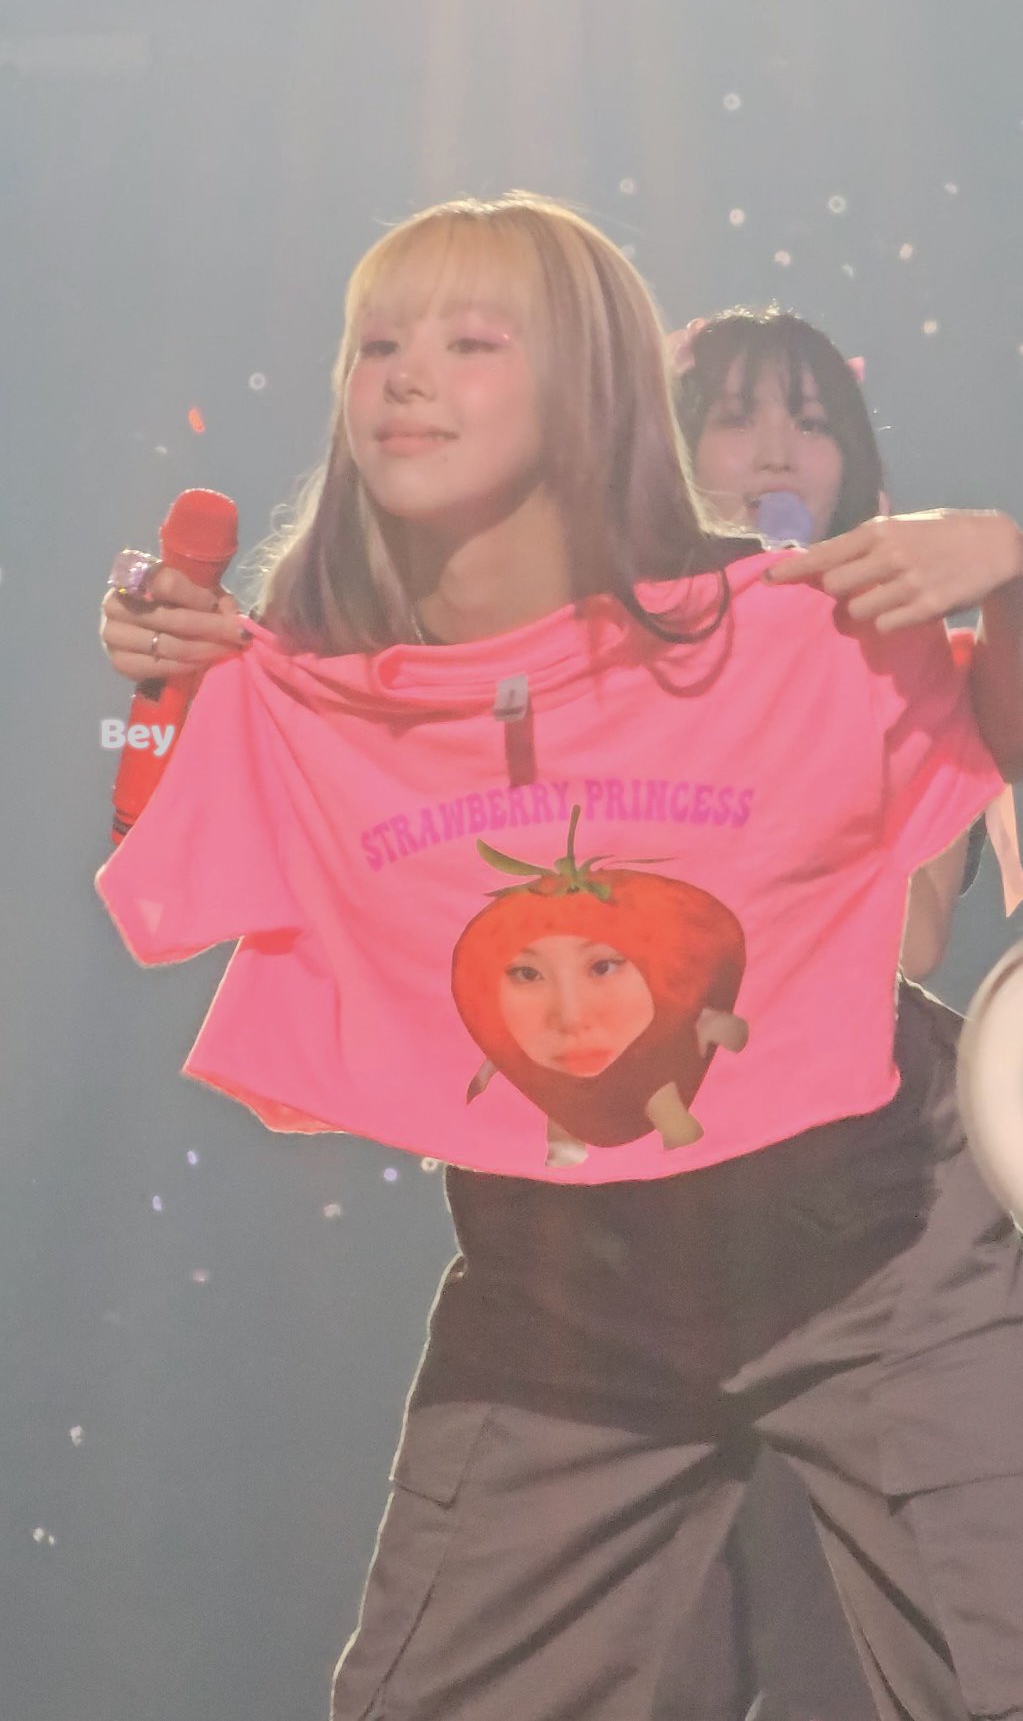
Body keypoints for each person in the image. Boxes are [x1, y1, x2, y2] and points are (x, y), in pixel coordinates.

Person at [95, 195, 1023, 1721]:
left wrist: (1010, 561)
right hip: (566, 1293)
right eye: (379, 343)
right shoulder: (324, 679)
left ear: (592, 385)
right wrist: (180, 685)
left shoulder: (785, 626)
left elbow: (975, 776)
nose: (407, 374)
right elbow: (159, 847)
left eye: (471, 341)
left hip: (879, 1244)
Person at [667, 305, 1022, 1719]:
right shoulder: (585, 652)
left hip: (861, 1200)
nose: (776, 451)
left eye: (811, 422)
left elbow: (918, 934)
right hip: (649, 1204)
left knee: (862, 1629)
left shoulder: (907, 662)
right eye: (737, 417)